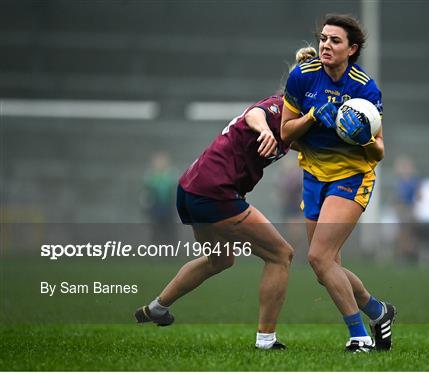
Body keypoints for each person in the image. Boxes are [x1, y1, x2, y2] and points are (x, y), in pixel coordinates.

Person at [134, 48, 318, 350]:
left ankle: (157, 307)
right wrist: (264, 131)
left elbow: (306, 146)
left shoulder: (291, 125)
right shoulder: (277, 107)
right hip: (214, 191)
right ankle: (265, 340)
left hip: (191, 188)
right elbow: (255, 114)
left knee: (220, 259)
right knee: (281, 254)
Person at [281, 14, 396, 353]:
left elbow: (379, 150)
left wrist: (360, 133)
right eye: (324, 39)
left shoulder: (364, 87)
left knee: (318, 257)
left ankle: (359, 336)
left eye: (335, 41)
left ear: (352, 49)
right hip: (314, 177)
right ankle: (379, 311)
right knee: (326, 266)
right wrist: (313, 116)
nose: (326, 45)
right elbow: (286, 132)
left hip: (351, 176)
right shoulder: (302, 78)